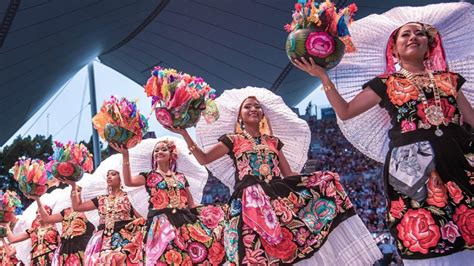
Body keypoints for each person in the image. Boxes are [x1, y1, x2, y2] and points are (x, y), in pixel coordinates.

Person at [293, 22, 474, 263]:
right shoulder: (386, 83)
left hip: (456, 156)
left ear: (429, 45)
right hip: (412, 165)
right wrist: (323, 77)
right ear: (394, 50)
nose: (413, 37)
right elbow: (346, 111)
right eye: (405, 35)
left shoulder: (450, 80)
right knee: (425, 233)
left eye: (419, 33)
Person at [165, 92, 382, 265]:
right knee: (251, 252)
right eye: (248, 106)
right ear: (239, 115)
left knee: (284, 249)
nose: (254, 109)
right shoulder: (232, 140)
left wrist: (319, 180)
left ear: (263, 114)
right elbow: (203, 159)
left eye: (257, 106)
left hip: (275, 199)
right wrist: (184, 133)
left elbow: (289, 175)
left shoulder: (273, 142)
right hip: (246, 203)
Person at [111, 139, 227, 265]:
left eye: (163, 149)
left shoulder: (181, 177)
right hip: (160, 224)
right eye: (156, 150)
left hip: (183, 222)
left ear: (171, 154)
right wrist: (125, 155)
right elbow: (128, 182)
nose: (159, 152)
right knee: (165, 258)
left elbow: (191, 204)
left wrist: (214, 212)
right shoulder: (149, 176)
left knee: (186, 258)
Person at [70, 169, 145, 265]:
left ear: (121, 178)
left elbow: (141, 219)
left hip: (124, 238)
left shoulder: (129, 197)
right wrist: (74, 187)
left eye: (113, 174)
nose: (109, 177)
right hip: (103, 239)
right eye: (107, 175)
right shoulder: (101, 199)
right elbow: (77, 207)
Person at [29, 193, 94, 265]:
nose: (74, 196)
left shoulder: (88, 209)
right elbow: (47, 218)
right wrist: (38, 199)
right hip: (67, 251)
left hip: (84, 247)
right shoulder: (65, 212)